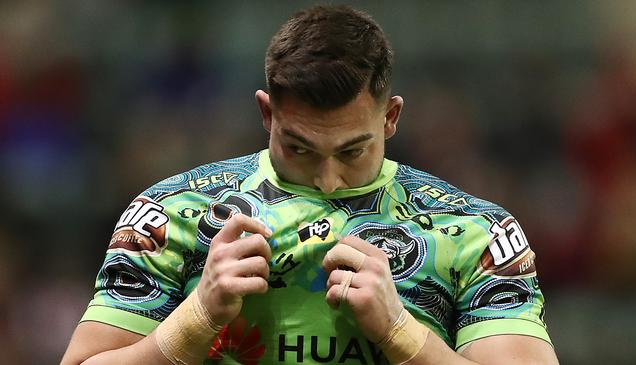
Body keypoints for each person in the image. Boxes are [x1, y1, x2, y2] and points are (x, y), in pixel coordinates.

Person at [61, 5, 559, 365]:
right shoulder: (171, 214)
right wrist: (196, 318)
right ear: (265, 112)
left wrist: (401, 333)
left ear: (391, 118)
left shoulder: (477, 232)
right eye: (299, 149)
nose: (327, 178)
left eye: (351, 151)